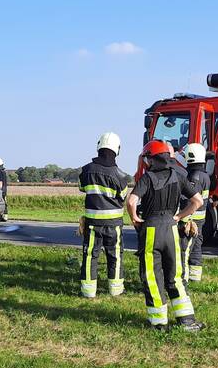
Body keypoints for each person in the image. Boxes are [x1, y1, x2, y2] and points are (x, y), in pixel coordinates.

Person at [126, 140, 204, 331]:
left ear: (151, 159)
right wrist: (179, 216)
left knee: (152, 276)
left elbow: (131, 201)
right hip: (171, 229)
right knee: (175, 275)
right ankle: (187, 320)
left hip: (152, 228)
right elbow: (198, 201)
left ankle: (159, 322)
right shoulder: (179, 175)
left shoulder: (147, 178)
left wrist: (135, 217)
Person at [78, 132, 129, 298]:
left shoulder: (86, 171)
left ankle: (88, 291)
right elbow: (123, 196)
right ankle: (115, 289)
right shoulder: (121, 175)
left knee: (90, 255)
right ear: (117, 150)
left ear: (99, 147)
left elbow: (82, 188)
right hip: (114, 224)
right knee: (115, 255)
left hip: (92, 223)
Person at [179, 144, 211, 283]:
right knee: (197, 247)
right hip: (200, 218)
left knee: (184, 250)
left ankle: (183, 278)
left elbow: (189, 200)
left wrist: (183, 217)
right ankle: (195, 276)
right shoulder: (205, 175)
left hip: (191, 219)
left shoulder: (194, 176)